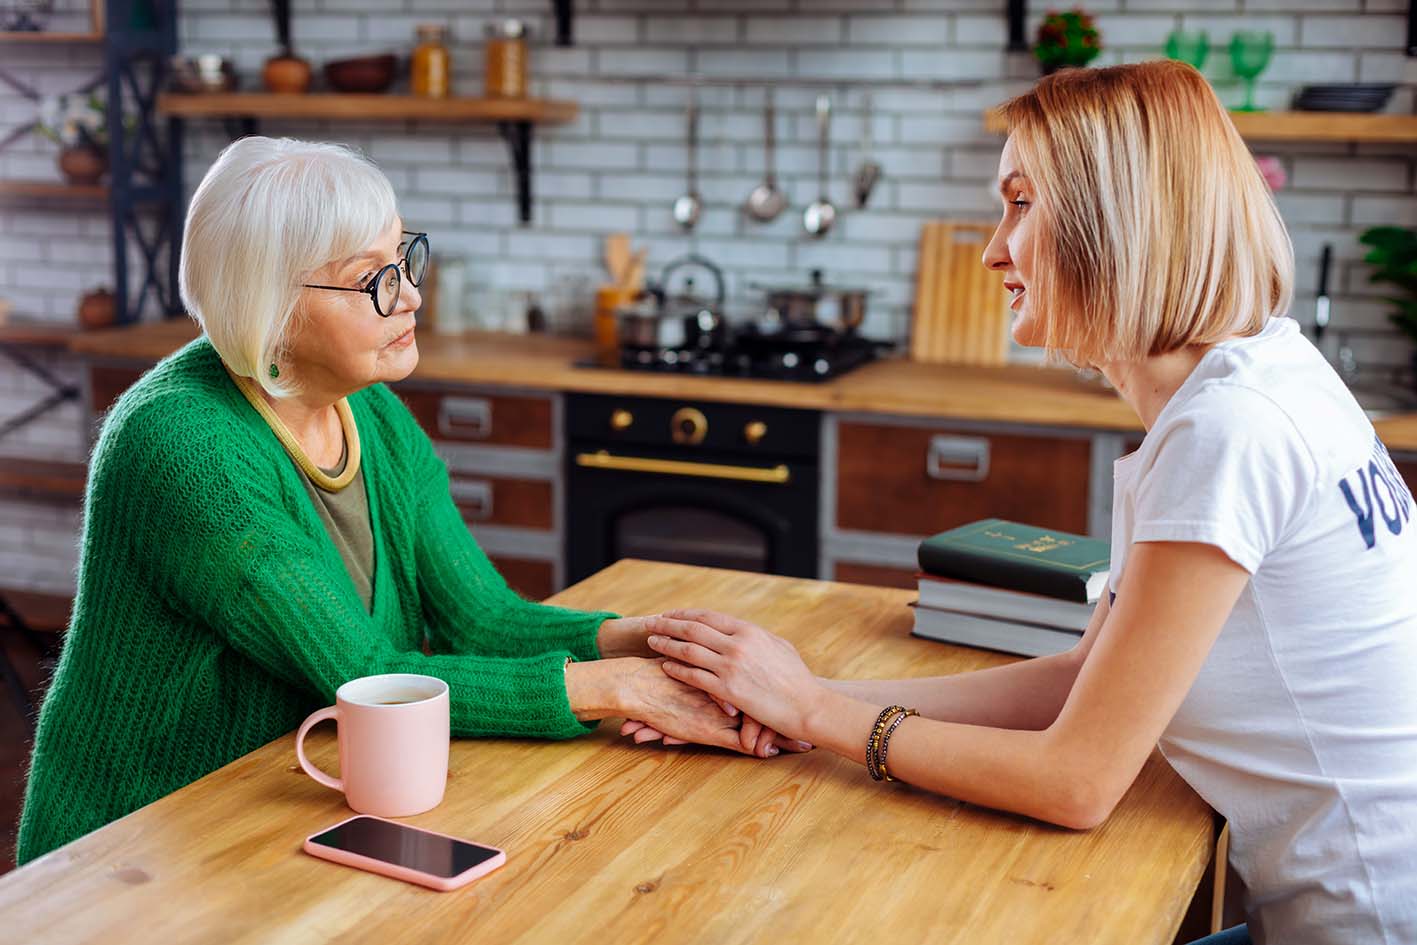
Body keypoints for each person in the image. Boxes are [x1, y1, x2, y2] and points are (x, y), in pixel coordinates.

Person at [641, 61, 1417, 944]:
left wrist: (817, 716)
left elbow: (1076, 781)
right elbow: (1079, 678)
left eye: (1019, 203)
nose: (991, 248)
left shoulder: (1226, 430)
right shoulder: (1262, 374)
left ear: (1110, 221)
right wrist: (803, 698)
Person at [17, 137, 802, 865]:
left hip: (284, 805)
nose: (411, 296)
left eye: (405, 257)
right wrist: (614, 689)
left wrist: (663, 644)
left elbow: (482, 618)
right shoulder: (184, 446)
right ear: (269, 306)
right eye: (372, 278)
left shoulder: (368, 408)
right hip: (139, 846)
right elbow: (370, 679)